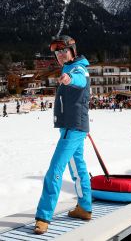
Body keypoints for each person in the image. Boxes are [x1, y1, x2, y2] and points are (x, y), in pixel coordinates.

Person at [34, 35, 92, 235]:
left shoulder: (78, 69)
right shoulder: (68, 67)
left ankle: (43, 216)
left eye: (63, 51)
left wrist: (69, 79)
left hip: (72, 127)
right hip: (74, 125)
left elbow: (80, 79)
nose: (60, 55)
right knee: (78, 167)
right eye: (57, 52)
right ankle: (84, 207)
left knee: (55, 170)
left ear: (73, 51)